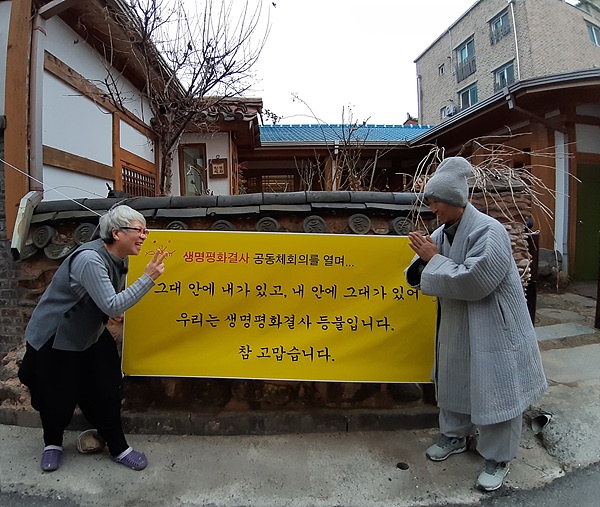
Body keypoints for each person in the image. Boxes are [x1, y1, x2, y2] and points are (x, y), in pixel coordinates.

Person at [404, 157, 547, 492]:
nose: (432, 207)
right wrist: (425, 261)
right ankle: (455, 437)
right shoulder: (440, 232)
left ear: (455, 199)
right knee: (455, 377)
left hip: (494, 323)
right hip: (457, 322)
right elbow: (418, 272)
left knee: (497, 386)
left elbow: (477, 281)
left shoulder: (490, 231)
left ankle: (498, 457)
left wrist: (433, 259)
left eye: (435, 200)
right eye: (430, 200)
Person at [18, 205, 167, 473]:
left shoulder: (120, 257)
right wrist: (149, 278)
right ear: (116, 233)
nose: (144, 235)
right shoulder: (90, 259)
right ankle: (52, 444)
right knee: (57, 396)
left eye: (145, 229)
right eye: (138, 230)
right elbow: (112, 304)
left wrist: (107, 311)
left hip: (90, 333)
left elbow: (103, 298)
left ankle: (119, 447)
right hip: (57, 336)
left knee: (107, 390)